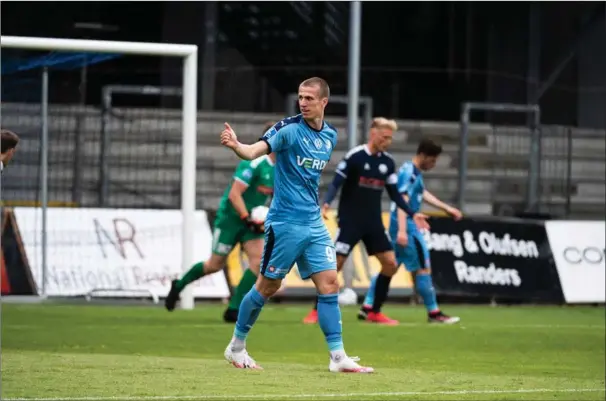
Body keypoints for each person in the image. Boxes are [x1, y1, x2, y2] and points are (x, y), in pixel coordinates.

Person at [219, 77, 375, 373]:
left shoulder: (329, 135)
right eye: (300, 98)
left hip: (313, 223)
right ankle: (236, 347)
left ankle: (338, 357)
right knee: (268, 286)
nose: (303, 103)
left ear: (323, 102)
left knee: (330, 283)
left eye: (309, 98)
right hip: (285, 224)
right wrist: (236, 145)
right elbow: (254, 152)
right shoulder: (288, 129)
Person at [303, 117, 430, 325]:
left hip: (373, 223)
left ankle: (373, 311)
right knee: (334, 266)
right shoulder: (355, 157)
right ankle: (317, 310)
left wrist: (412, 213)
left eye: (390, 138)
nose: (387, 142)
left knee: (390, 264)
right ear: (373, 133)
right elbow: (336, 183)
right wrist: (325, 203)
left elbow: (395, 194)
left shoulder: (387, 162)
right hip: (350, 221)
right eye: (384, 137)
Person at [164, 123, 276, 320]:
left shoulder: (282, 168)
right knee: (214, 265)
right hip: (232, 219)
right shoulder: (255, 163)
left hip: (253, 222)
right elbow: (235, 194)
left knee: (258, 263)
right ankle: (179, 285)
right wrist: (245, 217)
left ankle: (234, 308)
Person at [359, 138, 462, 324]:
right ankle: (434, 313)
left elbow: (422, 193)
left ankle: (368, 305)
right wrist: (403, 231)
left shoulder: (411, 170)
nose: (433, 164)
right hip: (407, 225)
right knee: (423, 267)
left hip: (398, 224)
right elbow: (402, 201)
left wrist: (446, 208)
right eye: (432, 160)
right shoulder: (410, 173)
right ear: (423, 155)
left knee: (390, 266)